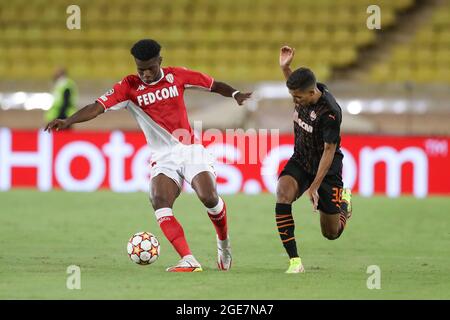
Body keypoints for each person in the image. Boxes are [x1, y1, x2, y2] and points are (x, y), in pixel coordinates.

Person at [45, 39, 252, 272]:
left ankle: (223, 245)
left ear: (160, 61)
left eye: (150, 68)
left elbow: (212, 85)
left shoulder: (177, 76)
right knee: (159, 200)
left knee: (209, 197)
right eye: (140, 69)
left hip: (190, 150)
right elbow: (96, 107)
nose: (145, 74)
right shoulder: (128, 87)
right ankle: (188, 259)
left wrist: (234, 93)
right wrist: (68, 120)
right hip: (162, 157)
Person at [276, 46, 353, 273]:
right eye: (293, 96)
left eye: (297, 97)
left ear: (311, 94)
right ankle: (295, 262)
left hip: (326, 170)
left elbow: (329, 151)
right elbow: (295, 87)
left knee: (331, 233)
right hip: (301, 158)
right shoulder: (304, 93)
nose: (295, 101)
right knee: (282, 193)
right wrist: (285, 68)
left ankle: (344, 204)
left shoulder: (330, 113)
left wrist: (315, 185)